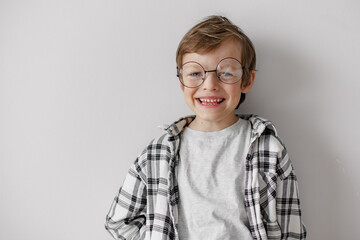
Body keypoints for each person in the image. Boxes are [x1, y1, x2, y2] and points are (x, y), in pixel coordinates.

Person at [105, 15, 307, 240]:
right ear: (181, 81)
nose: (210, 85)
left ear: (247, 81)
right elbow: (119, 222)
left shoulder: (270, 149)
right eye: (195, 74)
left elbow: (292, 231)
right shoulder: (158, 153)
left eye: (226, 73)